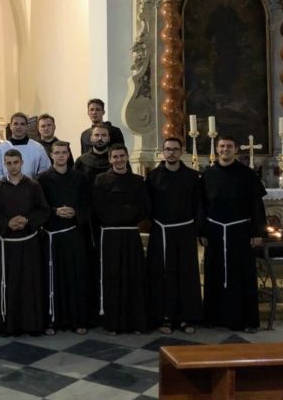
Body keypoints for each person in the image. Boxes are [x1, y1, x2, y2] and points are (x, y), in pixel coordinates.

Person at [200, 136, 267, 332]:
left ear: (236, 149)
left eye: (229, 146)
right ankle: (214, 318)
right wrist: (202, 230)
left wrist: (257, 232)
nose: (225, 149)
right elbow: (202, 205)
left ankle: (246, 320)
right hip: (214, 232)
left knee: (242, 276)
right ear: (217, 149)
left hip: (240, 232)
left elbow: (256, 205)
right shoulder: (208, 174)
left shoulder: (247, 175)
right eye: (221, 146)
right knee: (214, 273)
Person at [145, 138, 203, 334]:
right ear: (163, 151)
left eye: (175, 149)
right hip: (161, 232)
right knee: (163, 275)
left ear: (182, 151)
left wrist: (197, 230)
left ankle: (186, 318)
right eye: (168, 149)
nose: (171, 153)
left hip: (185, 232)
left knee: (186, 274)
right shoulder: (153, 177)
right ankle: (165, 318)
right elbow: (148, 205)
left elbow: (198, 205)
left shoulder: (193, 177)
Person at [90, 143, 149, 334]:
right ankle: (113, 323)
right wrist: (124, 212)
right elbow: (98, 208)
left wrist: (124, 214)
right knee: (113, 278)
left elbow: (143, 208)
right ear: (109, 159)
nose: (119, 160)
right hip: (110, 236)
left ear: (127, 157)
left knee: (134, 277)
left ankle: (135, 322)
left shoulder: (138, 181)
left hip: (131, 235)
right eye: (115, 157)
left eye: (122, 156)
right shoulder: (100, 180)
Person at [0, 149, 50, 336]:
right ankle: (10, 325)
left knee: (30, 285)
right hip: (7, 245)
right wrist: (7, 223)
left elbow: (43, 210)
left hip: (29, 244)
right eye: (8, 163)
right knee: (9, 285)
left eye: (15, 162)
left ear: (22, 162)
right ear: (4, 164)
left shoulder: (33, 186)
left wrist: (27, 220)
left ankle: (32, 325)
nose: (12, 166)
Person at [37, 141, 90, 335]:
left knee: (75, 278)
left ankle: (77, 320)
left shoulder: (80, 178)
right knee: (53, 279)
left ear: (69, 155)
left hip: (73, 234)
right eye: (57, 152)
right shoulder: (42, 179)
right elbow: (39, 206)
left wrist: (76, 212)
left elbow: (87, 204)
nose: (60, 155)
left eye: (64, 152)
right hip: (52, 236)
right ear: (51, 155)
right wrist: (54, 211)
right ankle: (53, 321)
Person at [0, 112, 51, 180]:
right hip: (7, 186)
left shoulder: (37, 148)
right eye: (15, 124)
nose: (19, 127)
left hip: (31, 185)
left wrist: (33, 183)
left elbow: (45, 170)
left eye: (22, 124)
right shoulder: (0, 149)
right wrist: (6, 184)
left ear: (26, 126)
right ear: (10, 126)